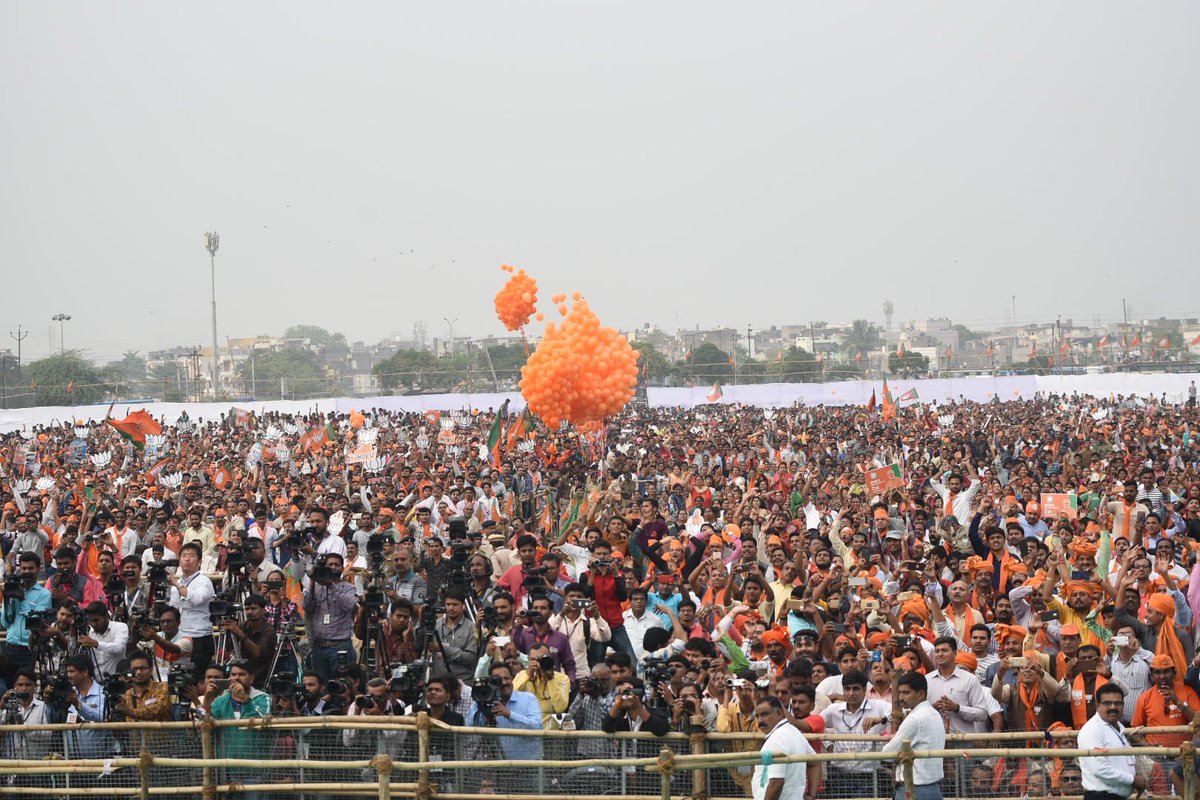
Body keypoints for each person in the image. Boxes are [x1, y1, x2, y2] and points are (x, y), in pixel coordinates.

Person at [203, 660, 271, 799]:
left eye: (241, 674)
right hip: (226, 771)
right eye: (233, 674)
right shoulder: (222, 699)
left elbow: (263, 718)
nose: (236, 678)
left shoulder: (262, 698)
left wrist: (246, 700)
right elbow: (205, 723)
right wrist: (207, 700)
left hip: (255, 771)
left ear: (251, 678)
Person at [821, 670, 891, 798]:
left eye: (855, 689)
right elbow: (817, 724)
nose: (851, 693)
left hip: (868, 776)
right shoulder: (833, 710)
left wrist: (880, 719)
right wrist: (828, 744)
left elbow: (900, 712)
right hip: (838, 775)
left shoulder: (878, 706)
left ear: (865, 690)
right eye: (847, 689)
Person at [881, 671, 945, 800]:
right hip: (932, 789)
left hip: (913, 790)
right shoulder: (933, 713)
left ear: (921, 694)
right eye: (900, 693)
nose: (901, 698)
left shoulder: (914, 719)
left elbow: (887, 754)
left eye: (906, 693)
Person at [1077, 682, 1144, 799]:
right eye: (1107, 703)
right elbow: (1099, 769)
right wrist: (1132, 780)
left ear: (1123, 705)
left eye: (1117, 703)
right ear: (1097, 705)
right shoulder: (1092, 729)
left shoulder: (1118, 728)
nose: (1113, 707)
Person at [467, 662, 544, 759]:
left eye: (506, 678)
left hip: (528, 764)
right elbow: (469, 725)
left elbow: (537, 727)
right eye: (497, 680)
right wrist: (480, 704)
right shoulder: (485, 701)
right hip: (497, 767)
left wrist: (509, 714)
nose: (503, 683)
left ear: (512, 679)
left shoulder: (528, 698)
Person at [0, 552, 53, 686]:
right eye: (24, 569)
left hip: (28, 652)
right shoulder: (13, 588)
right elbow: (5, 623)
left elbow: (35, 622)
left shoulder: (44, 595)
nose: (27, 572)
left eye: (31, 568)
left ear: (38, 569)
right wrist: (7, 599)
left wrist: (22, 599)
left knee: (26, 691)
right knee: (7, 690)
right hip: (9, 649)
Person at [303, 552, 358, 680]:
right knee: (322, 686)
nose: (333, 567)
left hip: (340, 646)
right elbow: (306, 606)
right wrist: (312, 582)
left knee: (342, 684)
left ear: (342, 568)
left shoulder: (348, 588)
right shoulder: (316, 587)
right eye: (330, 565)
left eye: (336, 565)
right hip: (319, 647)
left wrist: (330, 584)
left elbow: (349, 605)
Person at [754, 695, 819, 800]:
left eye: (764, 714)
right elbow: (815, 762)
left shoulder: (777, 740)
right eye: (757, 716)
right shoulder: (794, 732)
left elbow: (776, 782)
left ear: (779, 713)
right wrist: (811, 795)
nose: (760, 720)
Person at [168, 542, 216, 673]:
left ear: (199, 561)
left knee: (198, 677)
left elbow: (197, 598)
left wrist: (177, 585)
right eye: (183, 556)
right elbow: (173, 610)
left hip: (199, 637)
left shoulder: (204, 581)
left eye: (191, 555)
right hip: (181, 637)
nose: (187, 559)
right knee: (180, 677)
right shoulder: (179, 583)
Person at [218, 594, 277, 688]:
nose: (250, 612)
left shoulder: (269, 630)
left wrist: (239, 632)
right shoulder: (243, 626)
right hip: (242, 675)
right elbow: (229, 648)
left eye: (254, 608)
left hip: (262, 678)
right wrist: (228, 632)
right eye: (247, 609)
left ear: (263, 610)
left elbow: (257, 653)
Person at [512, 641, 570, 728]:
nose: (538, 663)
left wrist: (550, 679)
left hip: (550, 734)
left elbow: (560, 708)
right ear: (528, 659)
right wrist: (528, 674)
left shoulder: (562, 679)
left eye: (542, 659)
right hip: (526, 732)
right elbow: (512, 700)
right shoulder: (521, 675)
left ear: (550, 659)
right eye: (534, 659)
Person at [0, 669, 53, 759]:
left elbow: (48, 734)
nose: (24, 689)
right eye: (20, 685)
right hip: (12, 765)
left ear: (35, 686)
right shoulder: (8, 709)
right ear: (14, 687)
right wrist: (1, 705)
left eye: (28, 685)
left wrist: (24, 728)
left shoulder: (43, 707)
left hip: (38, 764)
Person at [79, 600, 129, 680]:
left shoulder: (121, 627)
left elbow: (118, 648)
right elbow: (74, 655)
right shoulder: (87, 632)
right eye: (91, 621)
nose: (93, 624)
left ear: (106, 616)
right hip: (94, 684)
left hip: (116, 683)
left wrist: (96, 644)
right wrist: (73, 632)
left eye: (96, 620)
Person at [116, 650, 171, 722]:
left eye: (142, 668)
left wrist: (131, 712)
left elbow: (157, 709)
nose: (138, 672)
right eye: (134, 669)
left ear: (151, 670)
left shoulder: (162, 687)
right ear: (129, 671)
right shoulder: (126, 695)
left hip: (158, 733)